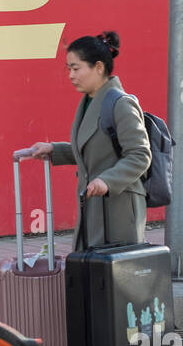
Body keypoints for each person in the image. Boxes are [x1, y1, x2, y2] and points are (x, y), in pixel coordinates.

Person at [21, 31, 150, 248]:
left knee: (116, 276)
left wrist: (107, 180)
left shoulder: (120, 103)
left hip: (118, 210)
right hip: (94, 206)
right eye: (68, 68)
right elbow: (93, 148)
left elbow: (140, 155)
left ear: (98, 67)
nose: (71, 75)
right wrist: (54, 149)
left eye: (76, 68)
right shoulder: (90, 102)